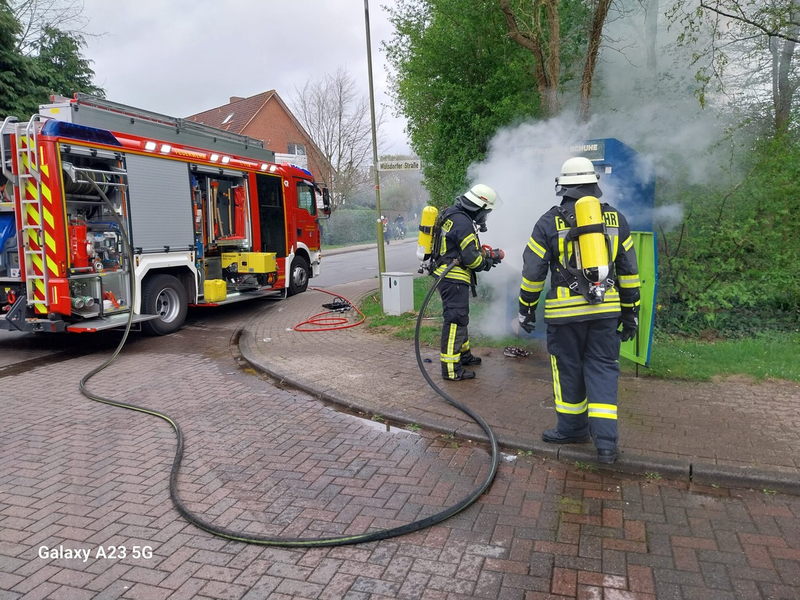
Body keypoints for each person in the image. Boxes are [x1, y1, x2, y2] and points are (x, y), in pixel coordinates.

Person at [517, 157, 640, 463]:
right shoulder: (616, 220)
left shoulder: (548, 222)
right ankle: (607, 444)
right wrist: (631, 312)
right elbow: (628, 272)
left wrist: (526, 309)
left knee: (568, 368)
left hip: (564, 315)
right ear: (594, 185)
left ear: (563, 187)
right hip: (607, 311)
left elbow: (533, 272)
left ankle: (572, 428)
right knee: (603, 368)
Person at [433, 184, 503, 381]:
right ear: (478, 207)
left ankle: (463, 355)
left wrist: (486, 255)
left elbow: (462, 249)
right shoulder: (463, 223)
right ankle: (451, 369)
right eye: (486, 211)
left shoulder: (452, 215)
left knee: (461, 317)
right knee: (455, 320)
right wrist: (487, 262)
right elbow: (472, 259)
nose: (486, 216)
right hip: (453, 277)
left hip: (448, 275)